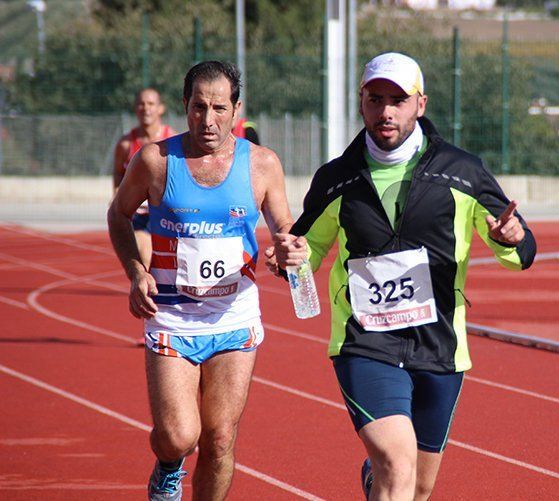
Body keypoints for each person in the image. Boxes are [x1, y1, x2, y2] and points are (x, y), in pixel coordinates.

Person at [270, 52, 536, 500]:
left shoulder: (463, 172)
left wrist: (511, 238)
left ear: (421, 104)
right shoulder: (337, 178)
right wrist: (290, 259)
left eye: (398, 99)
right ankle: (385, 475)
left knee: (418, 486)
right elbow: (307, 250)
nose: (386, 111)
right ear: (362, 103)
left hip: (440, 347)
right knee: (397, 462)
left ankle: (377, 481)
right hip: (365, 342)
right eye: (376, 99)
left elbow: (521, 250)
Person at [107, 61, 294, 500]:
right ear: (185, 105)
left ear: (237, 109)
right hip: (173, 317)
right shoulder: (155, 160)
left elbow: (287, 231)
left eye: (219, 108)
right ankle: (168, 466)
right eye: (197, 107)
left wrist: (289, 254)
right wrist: (136, 271)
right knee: (178, 436)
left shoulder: (262, 164)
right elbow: (118, 214)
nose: (207, 120)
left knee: (221, 438)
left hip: (234, 317)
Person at [112, 88, 176, 269]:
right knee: (144, 258)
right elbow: (118, 172)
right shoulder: (126, 144)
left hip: (166, 212)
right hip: (139, 214)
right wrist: (117, 192)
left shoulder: (173, 140)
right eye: (141, 104)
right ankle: (145, 294)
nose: (145, 108)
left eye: (150, 104)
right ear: (135, 108)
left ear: (160, 108)